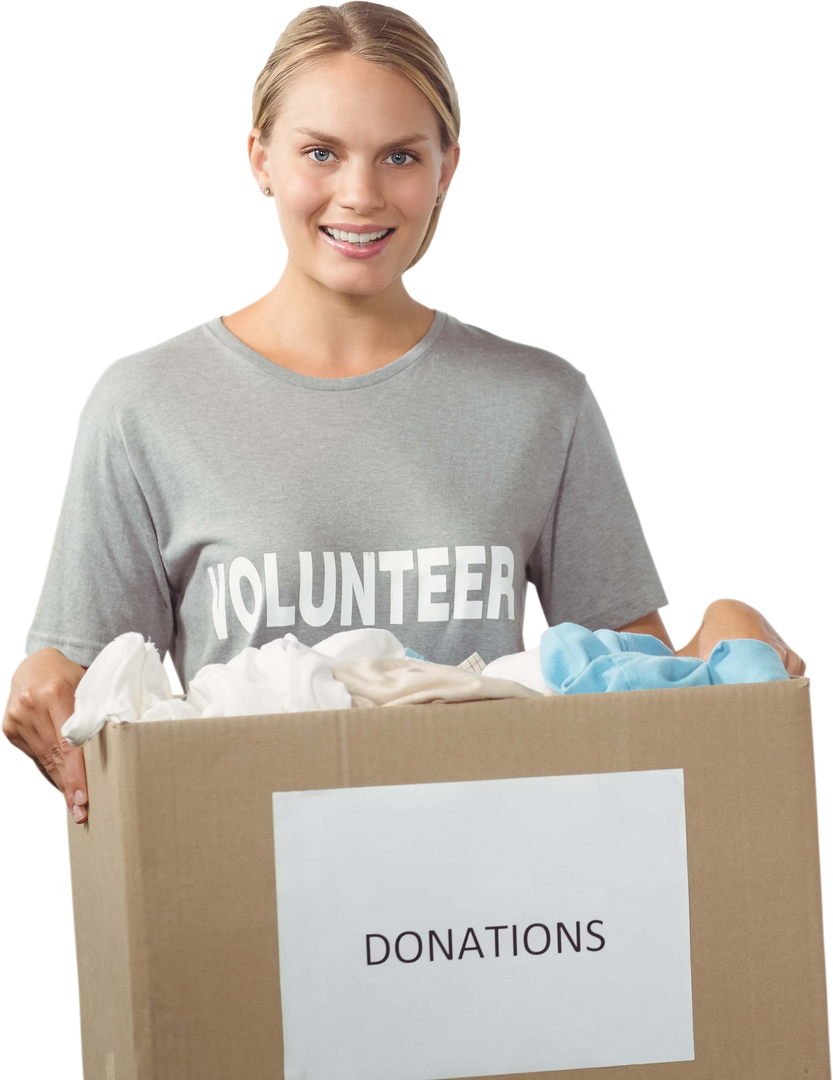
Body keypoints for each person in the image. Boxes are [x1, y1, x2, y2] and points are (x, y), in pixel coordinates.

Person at [1, 2, 808, 828]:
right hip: (240, 868)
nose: (360, 194)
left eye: (399, 156)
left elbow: (632, 688)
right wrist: (41, 691)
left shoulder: (541, 400)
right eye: (321, 152)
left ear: (448, 168)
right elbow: (87, 694)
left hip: (498, 876)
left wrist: (726, 623)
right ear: (259, 159)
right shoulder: (145, 402)